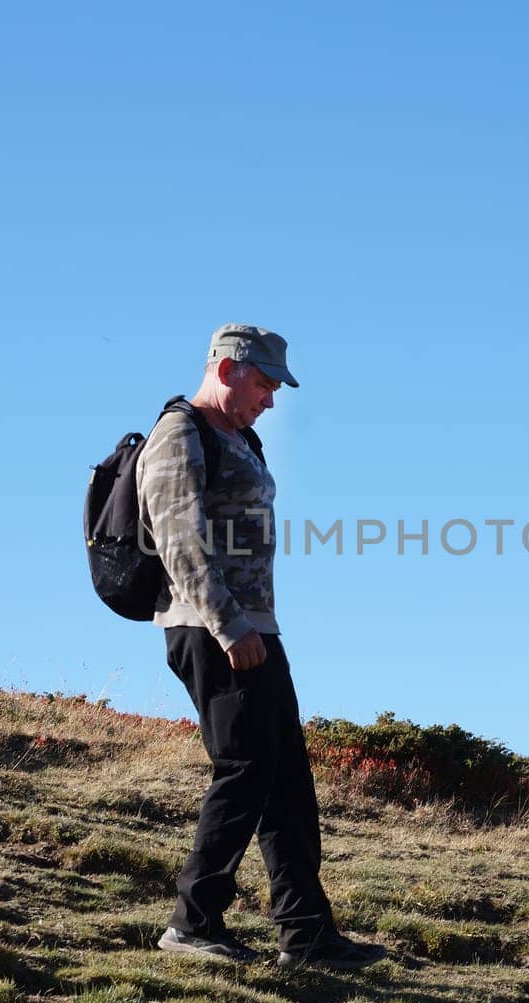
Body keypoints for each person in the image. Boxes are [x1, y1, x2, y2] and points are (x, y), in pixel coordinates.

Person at [135, 323, 387, 970]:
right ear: (227, 369)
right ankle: (194, 922)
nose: (271, 400)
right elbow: (178, 538)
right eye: (265, 383)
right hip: (210, 627)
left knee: (286, 780)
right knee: (245, 769)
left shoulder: (238, 437)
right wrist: (229, 626)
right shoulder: (179, 433)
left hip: (254, 628)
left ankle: (306, 934)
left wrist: (252, 627)